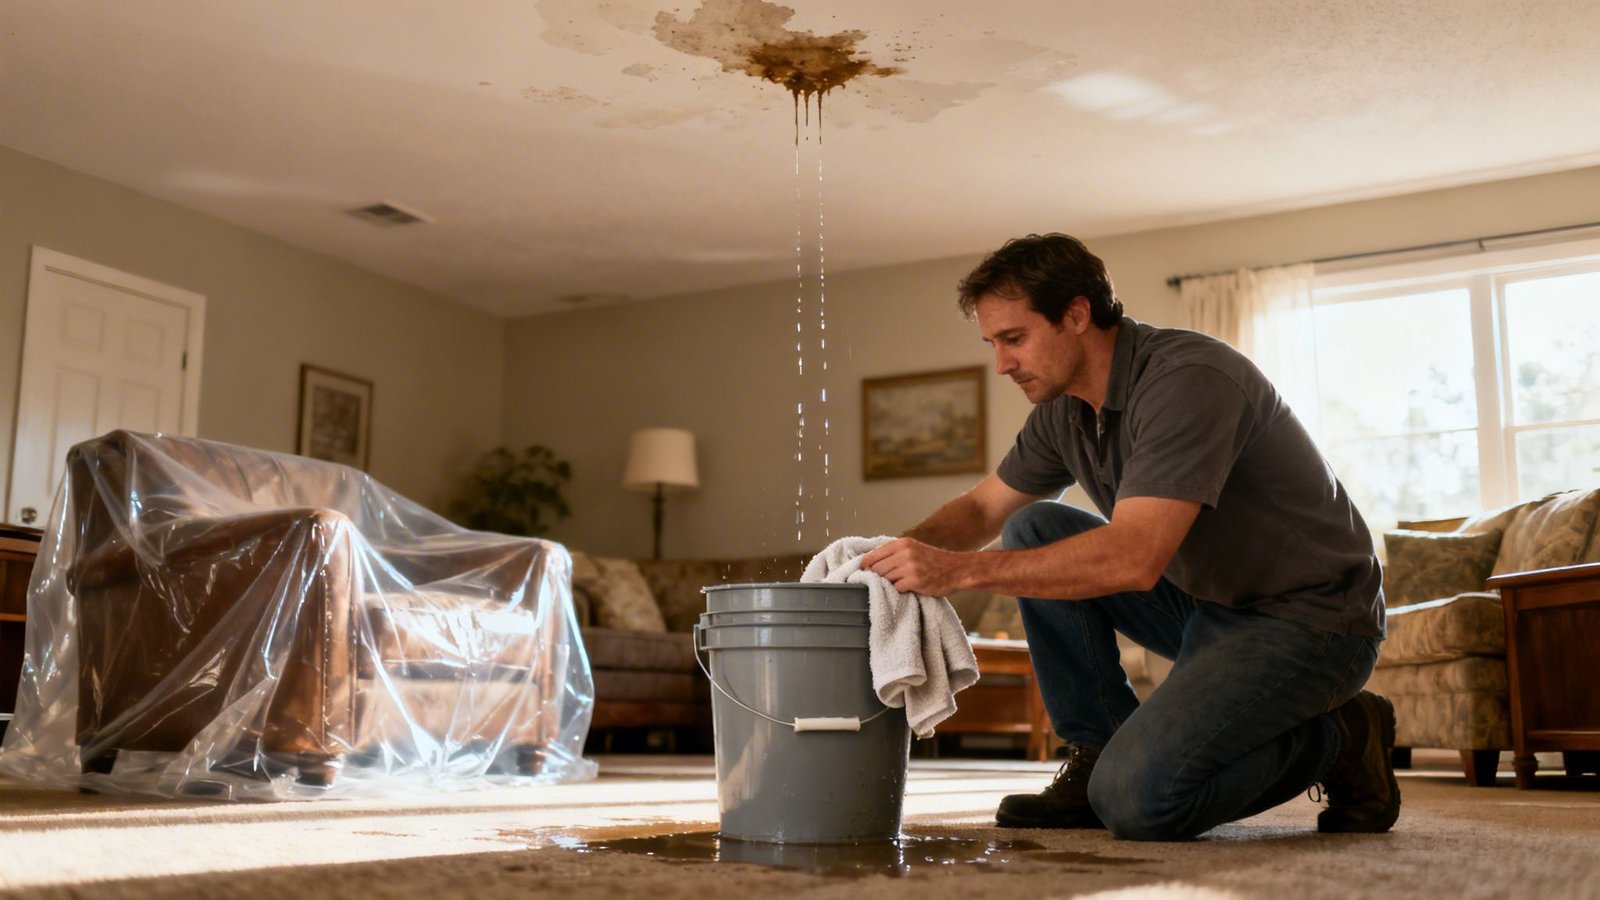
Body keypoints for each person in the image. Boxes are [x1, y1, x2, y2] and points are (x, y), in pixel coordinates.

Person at [860, 233, 1398, 841]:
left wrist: (956, 572)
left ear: (1077, 315)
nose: (1002, 364)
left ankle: (1344, 735)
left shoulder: (1188, 380)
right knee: (1033, 524)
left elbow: (1136, 558)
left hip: (1312, 619)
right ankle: (1095, 747)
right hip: (1210, 609)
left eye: (1014, 339)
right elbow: (982, 509)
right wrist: (881, 559)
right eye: (993, 344)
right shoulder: (1064, 412)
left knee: (1140, 801)